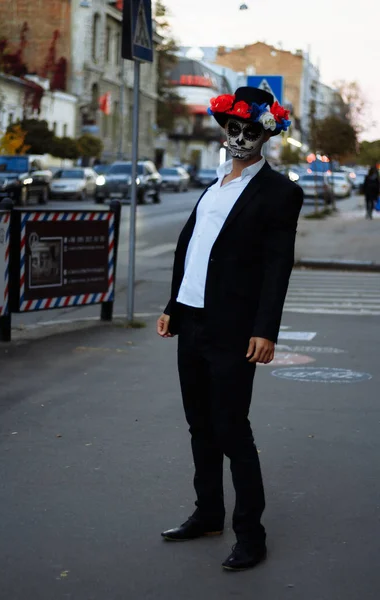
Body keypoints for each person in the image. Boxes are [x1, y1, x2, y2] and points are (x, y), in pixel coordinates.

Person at [156, 86, 303, 572]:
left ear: (267, 135)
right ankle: (208, 513)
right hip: (192, 320)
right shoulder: (215, 185)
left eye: (251, 130)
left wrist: (266, 329)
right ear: (224, 129)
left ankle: (251, 533)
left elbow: (276, 266)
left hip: (235, 330)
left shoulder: (281, 192)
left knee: (232, 429)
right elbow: (194, 249)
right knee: (200, 425)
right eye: (233, 128)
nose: (240, 138)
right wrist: (173, 306)